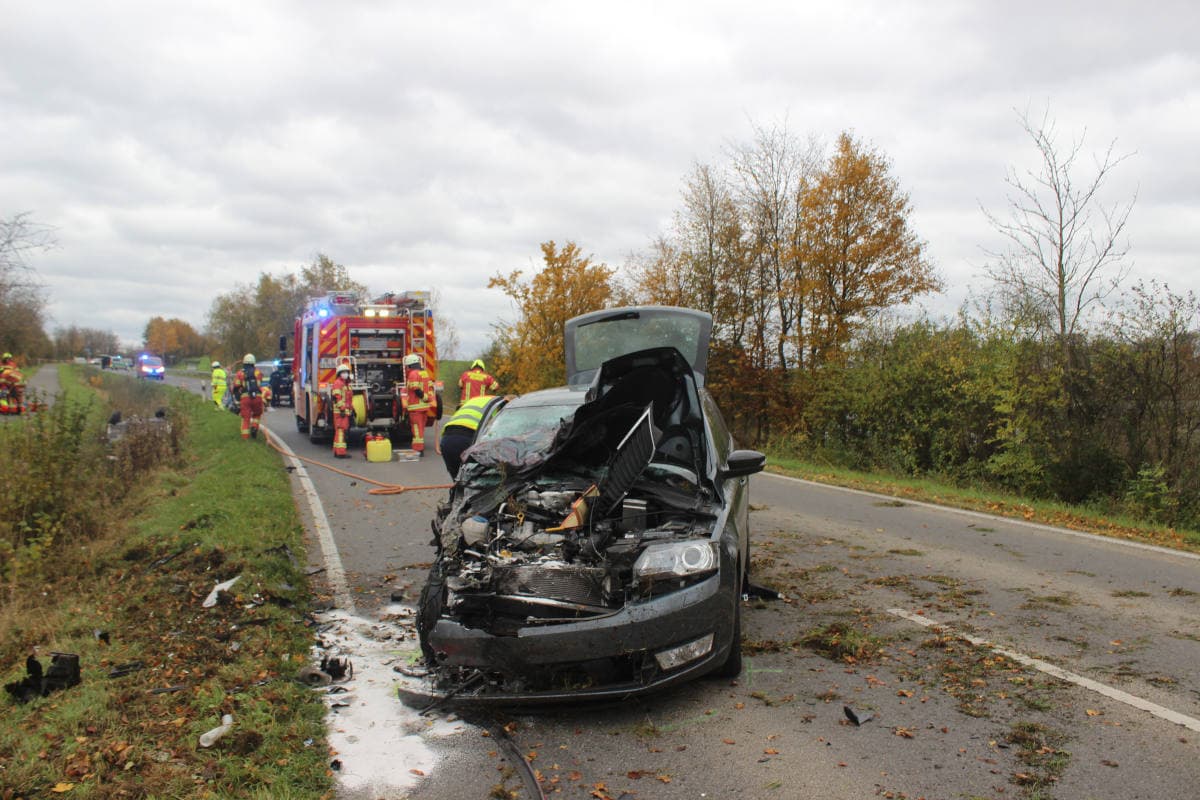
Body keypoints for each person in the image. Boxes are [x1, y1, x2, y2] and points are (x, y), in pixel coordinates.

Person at [439, 393, 506, 478]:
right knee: (476, 479)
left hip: (447, 440)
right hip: (468, 438)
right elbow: (496, 433)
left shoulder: (475, 400)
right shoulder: (498, 406)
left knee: (458, 480)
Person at [402, 353, 436, 456]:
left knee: (416, 430)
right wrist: (428, 399)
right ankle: (419, 448)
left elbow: (415, 389)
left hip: (415, 407)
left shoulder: (413, 374)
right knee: (420, 429)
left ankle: (418, 450)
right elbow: (430, 388)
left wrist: (424, 397)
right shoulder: (424, 373)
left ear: (410, 365)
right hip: (424, 407)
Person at [231, 354, 265, 439]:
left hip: (245, 398)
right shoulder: (258, 372)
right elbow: (260, 383)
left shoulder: (240, 373)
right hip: (257, 397)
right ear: (254, 363)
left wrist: (238, 398)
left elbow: (236, 387)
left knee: (245, 418)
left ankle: (245, 438)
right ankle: (254, 426)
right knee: (257, 414)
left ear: (244, 362)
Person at [330, 362, 353, 458]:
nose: (345, 374)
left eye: (346, 372)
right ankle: (341, 453)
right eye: (343, 372)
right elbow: (337, 398)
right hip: (340, 412)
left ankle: (336, 451)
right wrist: (342, 409)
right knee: (340, 431)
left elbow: (348, 399)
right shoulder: (338, 383)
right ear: (339, 374)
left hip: (344, 411)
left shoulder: (346, 384)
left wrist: (352, 409)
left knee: (340, 431)